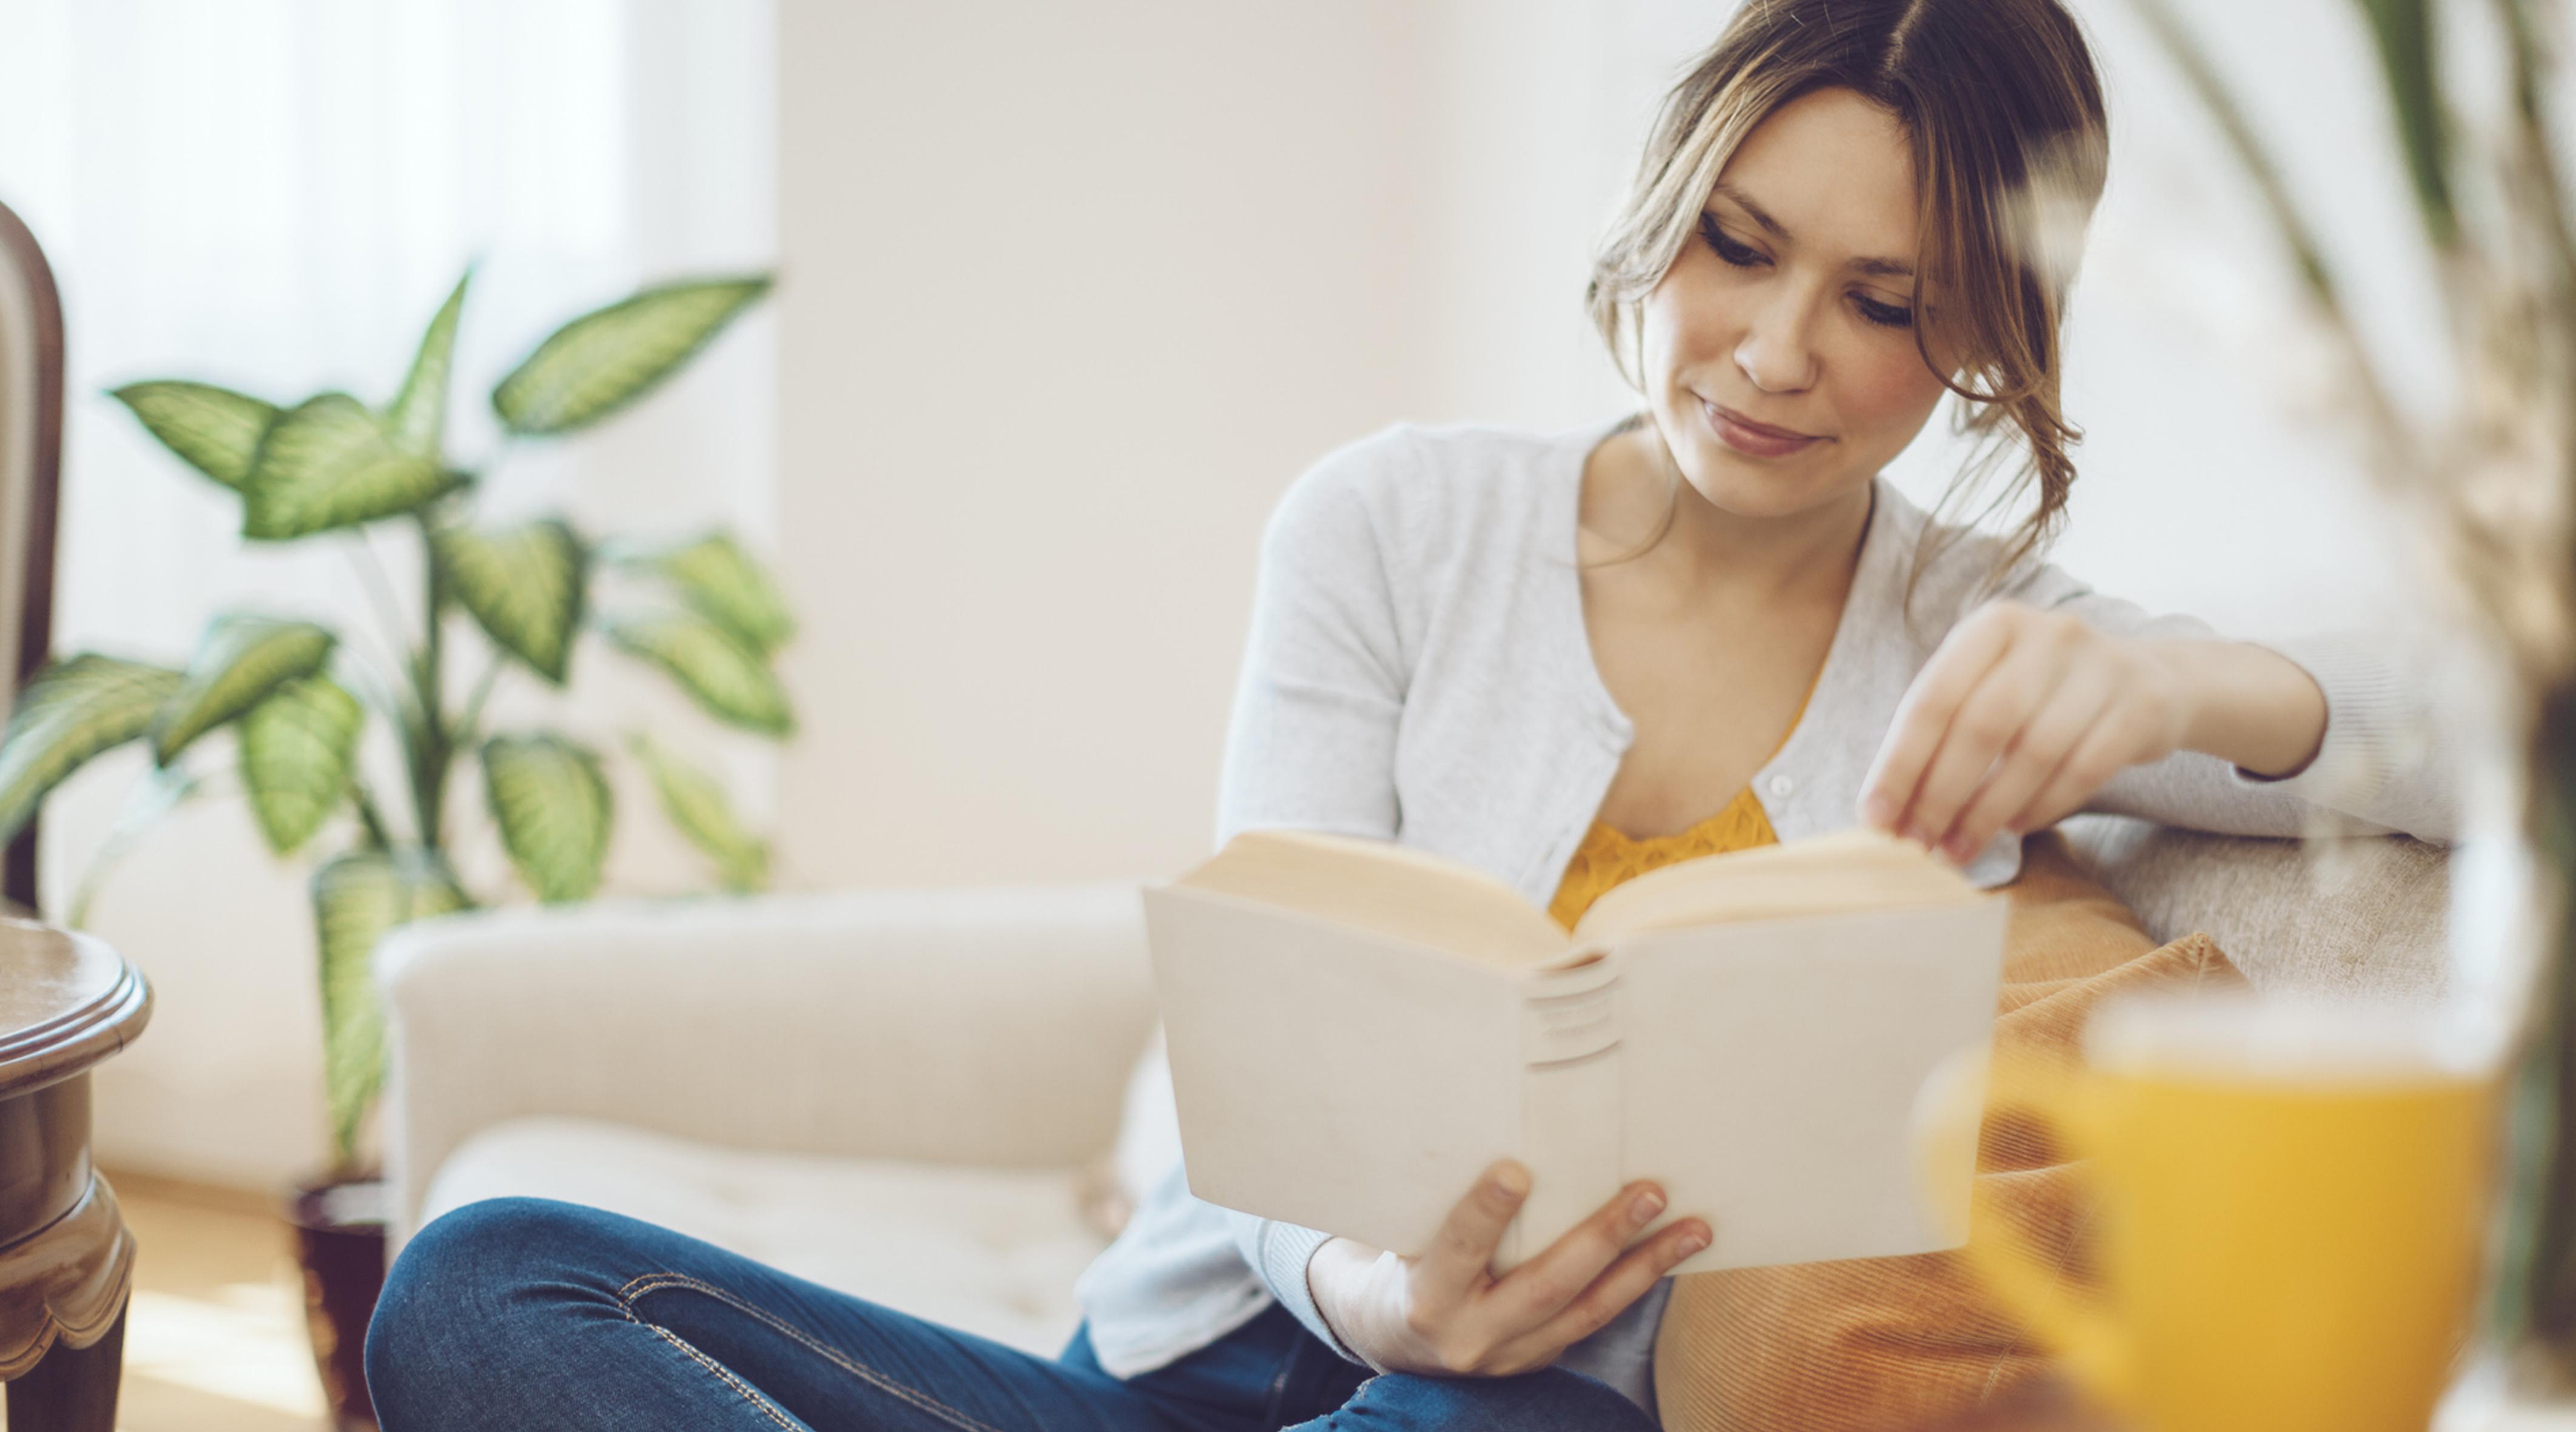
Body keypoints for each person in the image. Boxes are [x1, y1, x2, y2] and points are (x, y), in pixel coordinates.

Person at [364, 1, 2450, 1428]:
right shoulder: (1391, 525)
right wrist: (1367, 1286)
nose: (1774, 350)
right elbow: (1257, 1037)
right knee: (487, 1280)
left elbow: (2484, 748)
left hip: (1529, 1404)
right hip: (1215, 1355)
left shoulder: (1987, 638)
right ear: (1668, 203)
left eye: (1885, 303)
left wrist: (2183, 679)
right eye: (1737, 247)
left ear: (1977, 333)